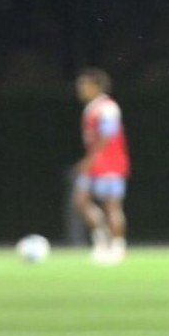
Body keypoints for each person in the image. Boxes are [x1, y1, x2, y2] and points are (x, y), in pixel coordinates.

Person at [73, 68, 130, 265]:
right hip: (95, 164)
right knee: (81, 200)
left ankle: (118, 246)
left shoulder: (107, 108)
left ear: (96, 86)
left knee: (111, 206)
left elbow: (108, 135)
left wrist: (89, 160)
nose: (80, 88)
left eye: (84, 84)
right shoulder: (91, 108)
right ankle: (101, 241)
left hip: (110, 164)